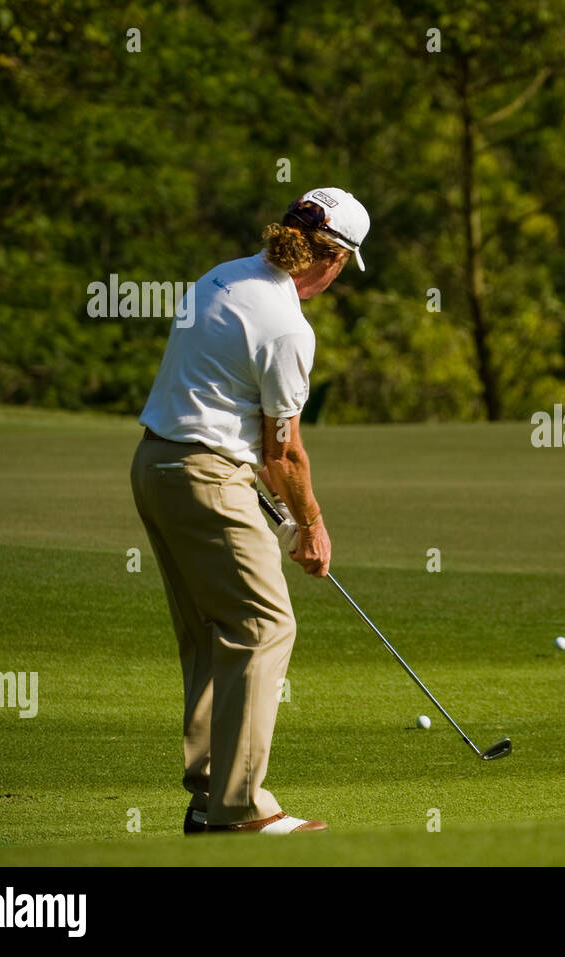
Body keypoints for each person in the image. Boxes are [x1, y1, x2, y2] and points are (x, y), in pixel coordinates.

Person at [130, 187, 370, 834]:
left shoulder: (222, 276)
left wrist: (286, 516)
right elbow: (282, 452)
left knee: (215, 631)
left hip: (157, 466)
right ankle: (239, 805)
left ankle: (211, 795)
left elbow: (245, 432)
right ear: (335, 259)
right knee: (264, 624)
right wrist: (311, 526)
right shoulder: (290, 325)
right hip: (206, 475)